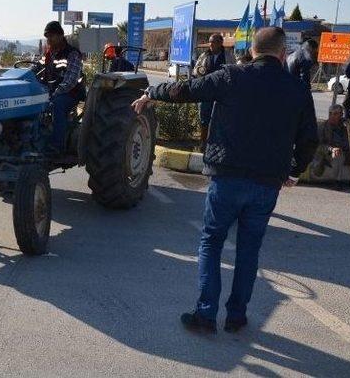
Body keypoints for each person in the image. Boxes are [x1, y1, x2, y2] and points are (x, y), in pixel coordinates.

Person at [132, 27, 318, 334]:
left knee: (211, 242)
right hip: (267, 184)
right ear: (284, 54)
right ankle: (236, 317)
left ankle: (206, 315)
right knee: (249, 250)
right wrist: (295, 171)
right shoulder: (297, 89)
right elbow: (309, 138)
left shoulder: (232, 76)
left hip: (226, 177)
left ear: (253, 51)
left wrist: (152, 93)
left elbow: (185, 90)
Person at [41, 21, 84, 154]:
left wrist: (54, 93)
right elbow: (37, 68)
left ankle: (57, 145)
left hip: (70, 93)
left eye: (51, 36)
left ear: (60, 36)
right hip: (52, 91)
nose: (49, 39)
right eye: (47, 36)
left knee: (56, 104)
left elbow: (71, 80)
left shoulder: (72, 54)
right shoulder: (49, 54)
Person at [311, 105, 350, 190]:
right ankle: (336, 181)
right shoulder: (323, 127)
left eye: (338, 113)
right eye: (333, 113)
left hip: (349, 152)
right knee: (338, 154)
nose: (334, 116)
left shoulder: (345, 124)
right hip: (330, 154)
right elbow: (319, 146)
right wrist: (331, 149)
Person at [193, 33, 230, 152]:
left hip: (221, 93)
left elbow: (233, 71)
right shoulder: (204, 55)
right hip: (206, 91)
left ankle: (217, 145)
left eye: (214, 42)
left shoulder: (228, 56)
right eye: (210, 42)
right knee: (204, 117)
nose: (211, 44)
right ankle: (203, 143)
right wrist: (199, 71)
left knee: (220, 118)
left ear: (220, 43)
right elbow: (196, 69)